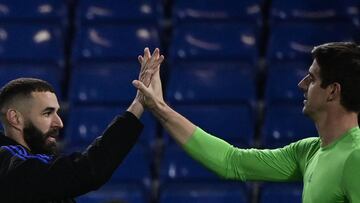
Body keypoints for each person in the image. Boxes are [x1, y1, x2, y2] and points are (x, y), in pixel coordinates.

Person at [133, 42, 360, 202]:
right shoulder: (309, 151)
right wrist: (159, 107)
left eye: (312, 78)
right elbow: (231, 161)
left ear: (332, 91)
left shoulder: (355, 157)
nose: (301, 84)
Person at [0, 48, 164, 203]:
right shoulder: (7, 164)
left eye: (57, 113)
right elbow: (86, 170)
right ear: (15, 118)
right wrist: (138, 106)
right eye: (47, 113)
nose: (59, 123)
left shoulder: (35, 166)